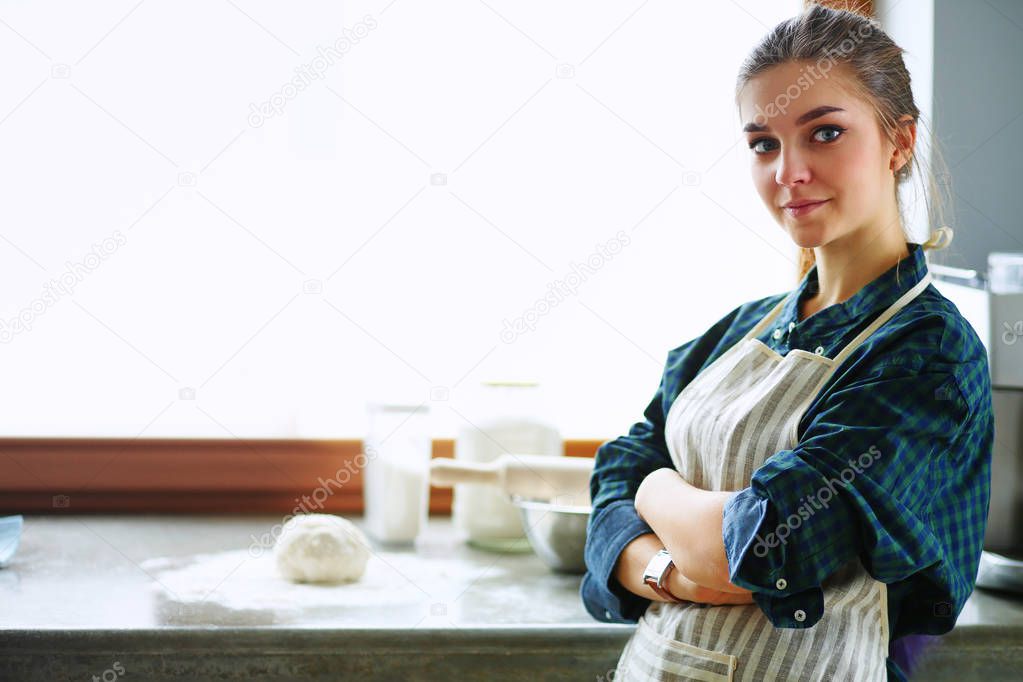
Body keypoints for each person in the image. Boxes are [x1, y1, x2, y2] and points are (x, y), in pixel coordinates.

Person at [580, 4, 994, 681]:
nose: (787, 172)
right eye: (762, 144)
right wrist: (669, 571)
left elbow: (762, 544)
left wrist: (655, 487)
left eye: (823, 132)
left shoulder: (925, 354)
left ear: (899, 142)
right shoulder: (736, 330)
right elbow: (609, 479)